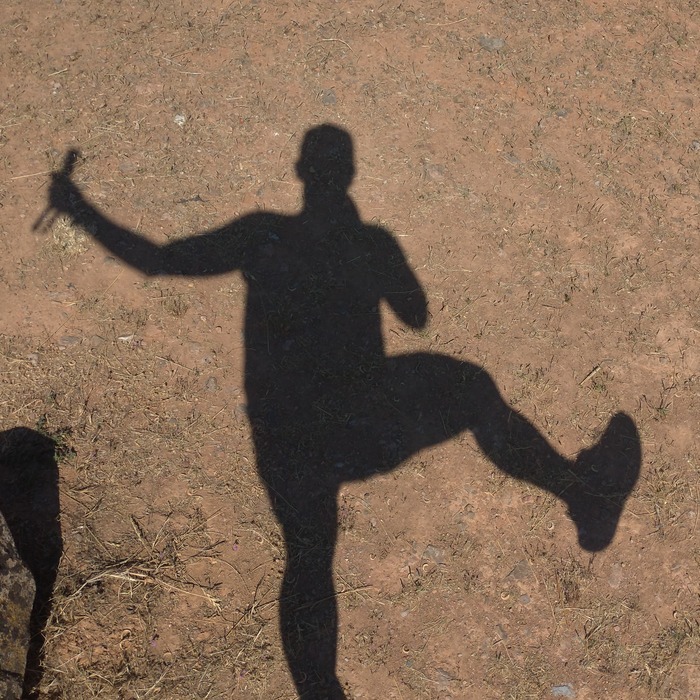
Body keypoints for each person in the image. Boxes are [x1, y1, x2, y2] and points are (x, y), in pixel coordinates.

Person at [46, 124, 640, 699]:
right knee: (474, 391)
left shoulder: (259, 234)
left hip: (287, 435)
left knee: (309, 555)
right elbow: (416, 315)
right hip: (366, 422)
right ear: (350, 175)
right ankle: (579, 492)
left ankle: (320, 692)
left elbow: (158, 260)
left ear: (300, 171)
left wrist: (77, 208)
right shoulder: (372, 241)